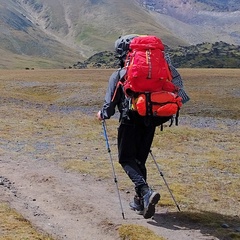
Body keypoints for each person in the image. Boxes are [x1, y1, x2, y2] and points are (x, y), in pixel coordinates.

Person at [97, 34, 189, 219]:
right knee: (139, 160)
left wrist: (102, 114)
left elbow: (109, 107)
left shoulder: (120, 74)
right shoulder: (157, 73)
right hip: (151, 120)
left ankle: (145, 192)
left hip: (129, 120)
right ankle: (140, 202)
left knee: (125, 159)